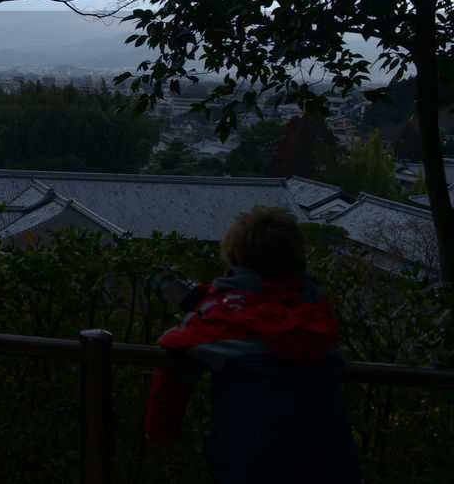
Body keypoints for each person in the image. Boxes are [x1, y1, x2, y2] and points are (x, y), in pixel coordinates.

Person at [145, 207, 361, 483]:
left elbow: (173, 347)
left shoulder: (222, 315)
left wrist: (161, 429)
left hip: (253, 459)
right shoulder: (315, 307)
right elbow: (269, 304)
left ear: (233, 254)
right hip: (333, 460)